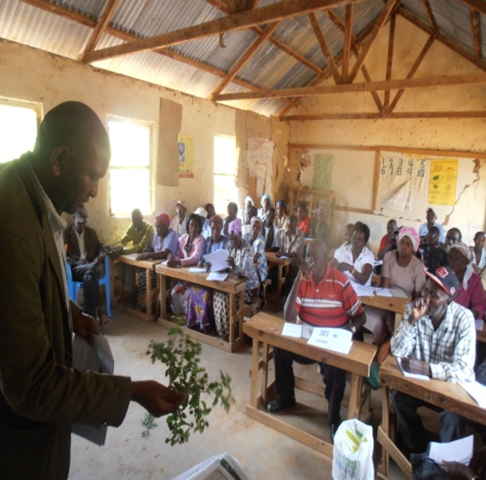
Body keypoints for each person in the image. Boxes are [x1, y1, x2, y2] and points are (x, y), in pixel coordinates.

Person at [0, 101, 183, 480]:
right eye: (92, 176)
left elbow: (28, 285)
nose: (96, 192)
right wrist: (130, 392)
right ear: (60, 158)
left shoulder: (30, 196)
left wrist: (70, 313)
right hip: (16, 438)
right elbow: (32, 387)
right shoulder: (12, 228)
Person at [266, 239, 366, 439]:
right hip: (308, 338)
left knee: (336, 370)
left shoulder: (339, 281)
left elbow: (360, 316)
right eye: (308, 256)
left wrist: (347, 330)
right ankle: (286, 396)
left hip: (331, 338)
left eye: (316, 257)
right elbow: (288, 315)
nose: (311, 261)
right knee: (280, 346)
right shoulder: (304, 280)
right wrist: (297, 281)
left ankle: (333, 415)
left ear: (325, 258)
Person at [391, 266, 475, 456]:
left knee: (454, 416)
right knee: (398, 396)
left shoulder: (464, 319)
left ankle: (444, 463)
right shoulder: (414, 309)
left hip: (450, 389)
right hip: (421, 386)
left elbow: (464, 369)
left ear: (449, 301)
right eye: (426, 290)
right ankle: (417, 448)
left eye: (434, 296)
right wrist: (411, 320)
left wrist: (428, 369)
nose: (426, 299)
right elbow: (397, 351)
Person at [364, 226, 426, 347]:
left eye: (408, 244)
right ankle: (375, 345)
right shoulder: (389, 257)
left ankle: (386, 345)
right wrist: (389, 312)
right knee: (365, 313)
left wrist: (398, 310)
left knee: (399, 324)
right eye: (402, 242)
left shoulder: (418, 266)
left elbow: (417, 297)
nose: (404, 246)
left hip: (405, 305)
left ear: (414, 248)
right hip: (386, 300)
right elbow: (385, 287)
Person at [213, 220, 259, 341]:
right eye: (230, 238)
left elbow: (246, 274)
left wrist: (234, 266)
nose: (232, 241)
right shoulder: (229, 245)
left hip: (248, 287)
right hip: (233, 283)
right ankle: (223, 330)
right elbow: (225, 263)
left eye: (234, 239)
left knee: (226, 299)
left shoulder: (247, 249)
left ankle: (232, 333)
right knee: (217, 294)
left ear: (240, 235)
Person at [63, 207, 109, 327]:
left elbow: (101, 248)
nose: (81, 226)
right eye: (79, 223)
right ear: (74, 220)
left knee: (89, 277)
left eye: (84, 223)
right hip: (77, 268)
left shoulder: (91, 232)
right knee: (92, 270)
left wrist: (98, 258)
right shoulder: (66, 233)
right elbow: (63, 254)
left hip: (91, 266)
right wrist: (77, 262)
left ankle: (91, 317)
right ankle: (100, 311)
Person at [108, 208, 154, 306]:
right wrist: (119, 247)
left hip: (145, 258)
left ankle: (130, 295)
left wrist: (123, 251)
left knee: (129, 267)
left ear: (142, 218)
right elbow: (123, 239)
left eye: (137, 220)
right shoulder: (132, 227)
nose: (135, 222)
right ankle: (132, 291)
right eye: (133, 220)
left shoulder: (148, 228)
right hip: (135, 258)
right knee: (119, 267)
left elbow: (140, 247)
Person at [135, 213, 179, 310]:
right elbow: (154, 249)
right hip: (155, 265)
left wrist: (146, 255)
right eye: (156, 227)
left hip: (168, 268)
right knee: (142, 273)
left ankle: (152, 306)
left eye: (158, 227)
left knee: (148, 276)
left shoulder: (172, 235)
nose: (156, 229)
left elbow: (164, 253)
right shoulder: (157, 234)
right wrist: (148, 250)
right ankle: (144, 304)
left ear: (165, 226)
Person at [168, 213, 205, 319]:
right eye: (191, 225)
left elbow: (195, 257)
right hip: (182, 273)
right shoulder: (184, 238)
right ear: (188, 226)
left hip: (194, 275)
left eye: (196, 226)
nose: (193, 228)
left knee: (189, 294)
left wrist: (178, 262)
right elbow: (177, 253)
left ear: (199, 228)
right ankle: (179, 316)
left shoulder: (200, 239)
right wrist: (172, 257)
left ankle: (189, 318)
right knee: (174, 291)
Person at [447, 242, 486, 320]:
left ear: (465, 261)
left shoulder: (474, 281)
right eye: (448, 257)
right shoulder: (443, 275)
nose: (449, 260)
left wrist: (466, 317)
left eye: (454, 257)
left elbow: (479, 305)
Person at [331, 222, 374, 286]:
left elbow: (363, 280)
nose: (355, 241)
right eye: (354, 237)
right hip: (343, 290)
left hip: (362, 294)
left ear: (365, 243)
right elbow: (330, 270)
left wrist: (351, 269)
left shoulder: (368, 255)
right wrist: (337, 269)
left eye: (359, 240)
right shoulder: (342, 251)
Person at [277, 214, 306, 297]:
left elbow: (294, 253)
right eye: (288, 226)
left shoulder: (301, 234)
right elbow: (281, 247)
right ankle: (276, 296)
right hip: (285, 260)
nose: (289, 229)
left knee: (292, 271)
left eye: (291, 227)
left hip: (296, 261)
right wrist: (280, 251)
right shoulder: (283, 232)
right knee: (275, 271)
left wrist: (283, 253)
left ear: (296, 225)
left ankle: (284, 298)